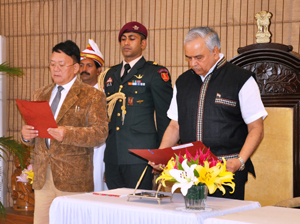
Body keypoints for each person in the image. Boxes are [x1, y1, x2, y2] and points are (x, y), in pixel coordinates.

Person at [150, 27, 268, 200]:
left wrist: (240, 161)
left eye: (198, 57)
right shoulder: (183, 82)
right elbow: (175, 125)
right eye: (189, 58)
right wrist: (160, 155)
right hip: (189, 172)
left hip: (227, 171)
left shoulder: (241, 79)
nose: (192, 63)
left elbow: (256, 128)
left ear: (215, 51)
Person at [21, 40, 108, 224]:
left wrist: (67, 134)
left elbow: (100, 133)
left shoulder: (92, 95)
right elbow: (35, 131)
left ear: (76, 67)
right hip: (43, 178)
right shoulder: (40, 94)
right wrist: (26, 135)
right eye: (52, 64)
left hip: (73, 179)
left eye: (61, 65)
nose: (55, 69)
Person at [102, 21, 173, 190]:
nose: (126, 43)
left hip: (140, 155)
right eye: (123, 39)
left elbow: (165, 117)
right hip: (113, 154)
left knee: (139, 206)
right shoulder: (110, 74)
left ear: (143, 43)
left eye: (132, 38)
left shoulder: (155, 73)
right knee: (115, 206)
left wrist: (162, 155)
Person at [80, 39, 108, 191]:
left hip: (100, 152)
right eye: (82, 65)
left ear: (99, 70)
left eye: (89, 65)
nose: (84, 69)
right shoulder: (73, 94)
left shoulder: (106, 94)